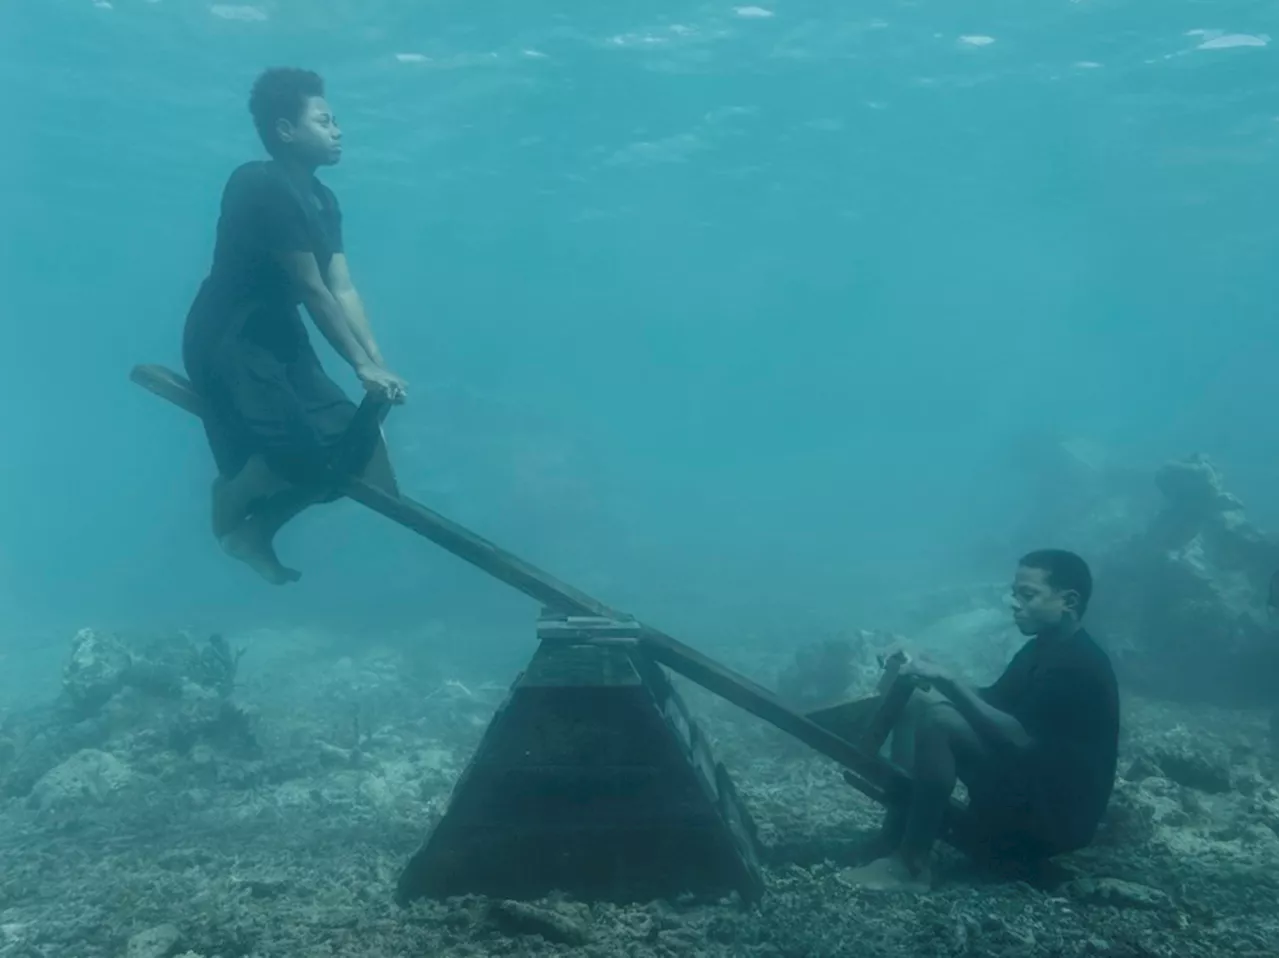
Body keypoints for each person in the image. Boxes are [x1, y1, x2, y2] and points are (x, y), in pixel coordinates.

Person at [182, 67, 408, 585]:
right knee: (302, 457)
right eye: (325, 120)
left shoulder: (324, 200)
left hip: (282, 341)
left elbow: (342, 287)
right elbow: (311, 289)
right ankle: (234, 493)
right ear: (285, 130)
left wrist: (377, 363)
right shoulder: (259, 185)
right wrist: (359, 365)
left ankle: (253, 532)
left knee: (353, 451)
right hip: (230, 340)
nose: (338, 130)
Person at [846, 549, 1120, 892]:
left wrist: (947, 680)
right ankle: (897, 833)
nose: (1014, 602)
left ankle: (911, 864)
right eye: (1015, 592)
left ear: (1069, 601)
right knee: (918, 700)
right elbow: (991, 701)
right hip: (1029, 789)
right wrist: (925, 662)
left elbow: (1017, 738)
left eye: (1028, 595)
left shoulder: (1078, 666)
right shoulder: (1043, 648)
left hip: (1053, 820)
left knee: (942, 722)